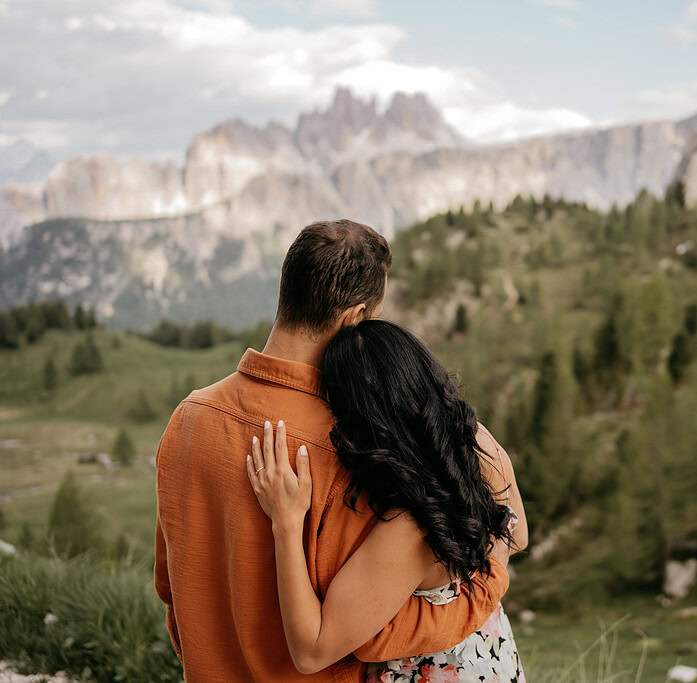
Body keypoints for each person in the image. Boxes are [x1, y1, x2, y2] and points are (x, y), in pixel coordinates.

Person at [154, 219, 514, 681]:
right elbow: (371, 634)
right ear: (354, 320)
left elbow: (171, 584)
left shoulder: (188, 418)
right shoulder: (358, 447)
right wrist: (488, 584)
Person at [246, 320, 528, 681]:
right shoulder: (477, 444)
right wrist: (489, 582)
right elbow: (518, 537)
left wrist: (286, 523)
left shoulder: (409, 527)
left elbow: (312, 649)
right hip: (493, 659)